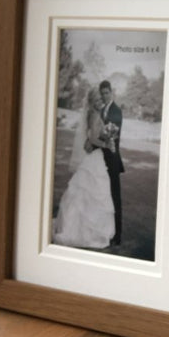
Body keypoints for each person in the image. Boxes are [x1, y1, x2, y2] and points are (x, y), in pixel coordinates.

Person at [53, 88, 116, 248]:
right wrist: (107, 144)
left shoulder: (93, 113)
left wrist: (106, 136)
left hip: (93, 155)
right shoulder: (94, 114)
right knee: (92, 189)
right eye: (98, 100)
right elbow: (93, 138)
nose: (100, 102)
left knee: (90, 191)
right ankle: (83, 231)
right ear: (92, 101)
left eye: (101, 100)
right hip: (94, 156)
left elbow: (92, 136)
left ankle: (84, 228)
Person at [99, 80, 124, 245]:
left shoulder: (116, 111)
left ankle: (118, 234)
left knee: (115, 197)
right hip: (101, 159)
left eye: (106, 93)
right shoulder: (101, 110)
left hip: (112, 159)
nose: (104, 96)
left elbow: (112, 135)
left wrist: (99, 138)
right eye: (102, 93)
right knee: (102, 196)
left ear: (111, 92)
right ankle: (104, 230)